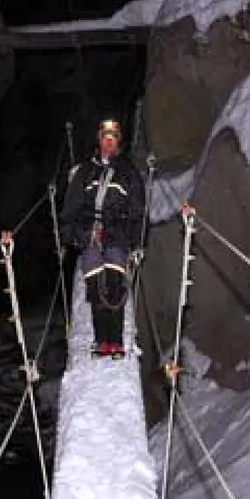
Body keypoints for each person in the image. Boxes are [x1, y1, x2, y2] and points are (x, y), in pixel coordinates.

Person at [59, 119, 146, 359]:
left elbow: (138, 211)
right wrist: (70, 235)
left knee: (115, 284)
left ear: (119, 141)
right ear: (98, 140)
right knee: (95, 286)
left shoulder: (128, 172)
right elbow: (72, 206)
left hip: (117, 233)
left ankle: (116, 342)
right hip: (90, 233)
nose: (108, 142)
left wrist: (137, 242)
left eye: (113, 138)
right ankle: (102, 341)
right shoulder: (85, 172)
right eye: (105, 138)